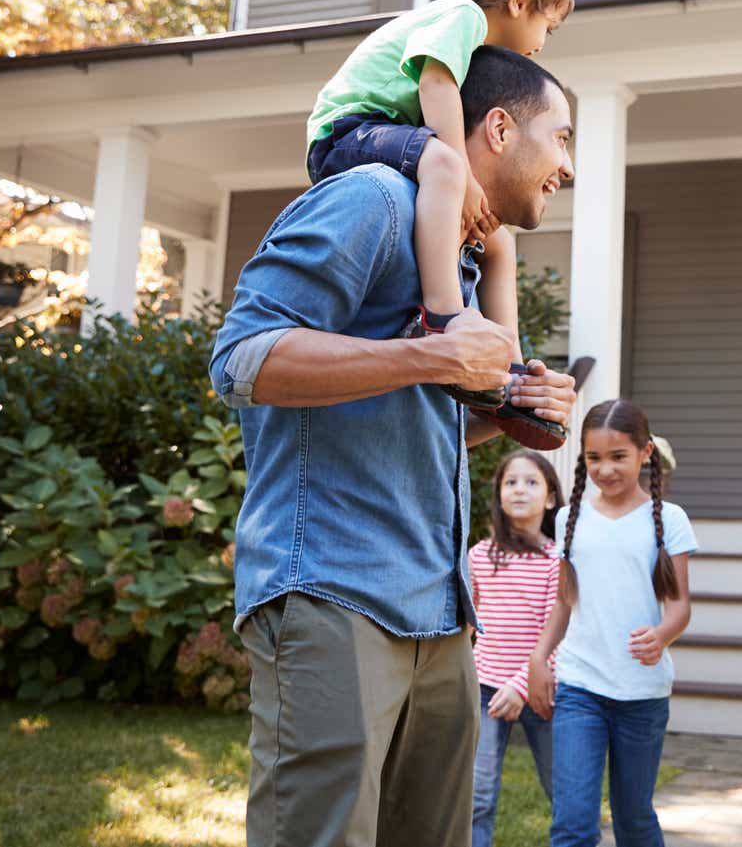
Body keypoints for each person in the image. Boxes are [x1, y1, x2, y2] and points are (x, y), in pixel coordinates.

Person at [208, 46, 578, 847]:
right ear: (501, 127)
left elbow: (413, 411)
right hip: (335, 593)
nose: (568, 166)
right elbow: (241, 357)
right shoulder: (371, 199)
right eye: (562, 138)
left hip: (442, 615)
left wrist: (509, 412)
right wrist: (433, 355)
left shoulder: (459, 256)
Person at [305, 0, 574, 448]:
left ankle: (511, 374)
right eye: (549, 26)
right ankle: (444, 317)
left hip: (378, 133)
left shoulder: (467, 38)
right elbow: (434, 84)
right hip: (347, 128)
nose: (542, 44)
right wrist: (462, 172)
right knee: (444, 166)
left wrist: (506, 400)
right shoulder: (461, 17)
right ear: (521, 0)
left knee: (499, 240)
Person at [527, 400, 697, 847]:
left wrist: (661, 635)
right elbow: (565, 602)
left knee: (634, 819)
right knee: (572, 824)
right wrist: (539, 658)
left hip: (642, 694)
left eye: (618, 456)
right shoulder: (569, 518)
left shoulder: (670, 520)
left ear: (645, 454)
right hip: (580, 687)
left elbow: (679, 608)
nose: (605, 469)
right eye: (593, 458)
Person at [469, 450, 562, 847]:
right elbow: (467, 627)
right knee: (477, 795)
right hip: (485, 690)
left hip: (542, 691)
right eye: (510, 482)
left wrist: (521, 686)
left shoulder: (557, 560)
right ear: (499, 494)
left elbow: (558, 635)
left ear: (551, 497)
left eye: (531, 482)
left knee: (564, 790)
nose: (519, 490)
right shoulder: (478, 556)